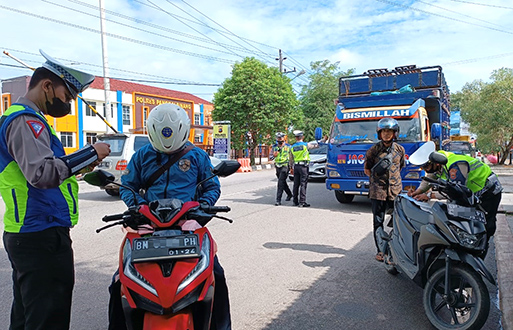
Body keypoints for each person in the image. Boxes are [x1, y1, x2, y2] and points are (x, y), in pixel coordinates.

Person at [0, 50, 111, 330]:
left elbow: (41, 171)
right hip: (40, 235)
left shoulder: (28, 119)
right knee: (48, 320)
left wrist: (79, 168)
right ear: (47, 86)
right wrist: (89, 154)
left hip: (31, 232)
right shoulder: (26, 121)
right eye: (68, 95)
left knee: (28, 318)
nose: (69, 104)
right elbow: (42, 173)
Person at [110, 103, 232, 330]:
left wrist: (200, 213)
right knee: (119, 282)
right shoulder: (141, 156)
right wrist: (139, 211)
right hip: (149, 228)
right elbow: (128, 187)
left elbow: (211, 187)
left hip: (188, 226)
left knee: (217, 276)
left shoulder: (197, 156)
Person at [408, 141, 503, 249]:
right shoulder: (438, 162)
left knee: (484, 222)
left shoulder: (455, 165)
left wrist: (429, 196)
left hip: (488, 192)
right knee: (462, 216)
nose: (425, 170)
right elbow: (431, 176)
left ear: (436, 163)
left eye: (426, 167)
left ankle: (482, 248)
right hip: (472, 193)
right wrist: (418, 191)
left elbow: (456, 192)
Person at [363, 118, 405, 262]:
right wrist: (377, 181)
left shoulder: (400, 150)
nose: (386, 134)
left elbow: (400, 167)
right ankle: (380, 250)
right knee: (378, 221)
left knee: (399, 221)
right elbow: (367, 169)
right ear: (379, 133)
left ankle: (397, 249)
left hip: (395, 191)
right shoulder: (373, 150)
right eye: (384, 131)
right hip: (378, 191)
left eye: (389, 131)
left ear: (395, 133)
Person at [289, 130, 313, 207]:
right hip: (303, 167)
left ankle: (295, 201)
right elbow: (316, 145)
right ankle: (302, 202)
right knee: (303, 184)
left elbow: (290, 159)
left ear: (296, 138)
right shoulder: (305, 145)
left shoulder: (292, 147)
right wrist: (324, 140)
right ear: (302, 137)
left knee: (296, 184)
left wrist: (291, 168)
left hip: (296, 167)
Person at [271, 132, 292, 206]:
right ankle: (289, 194)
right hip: (278, 166)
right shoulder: (274, 147)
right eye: (278, 138)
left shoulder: (289, 147)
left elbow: (292, 157)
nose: (279, 139)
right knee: (283, 182)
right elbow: (270, 157)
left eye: (281, 138)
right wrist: (273, 155)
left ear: (284, 138)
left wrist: (292, 166)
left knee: (280, 182)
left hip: (285, 166)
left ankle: (278, 200)